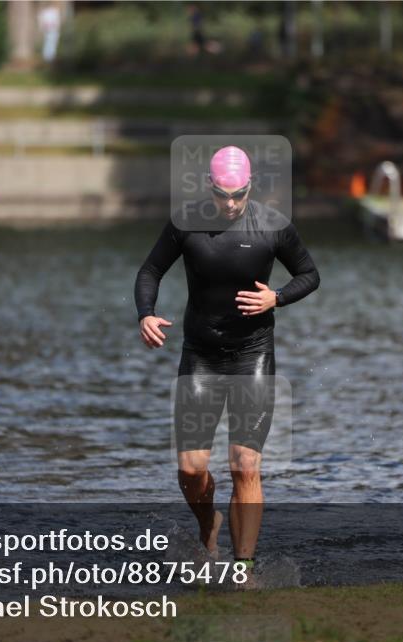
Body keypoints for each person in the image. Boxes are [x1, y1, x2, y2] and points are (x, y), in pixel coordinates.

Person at [134, 146, 319, 572]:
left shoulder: (274, 226)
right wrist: (145, 313)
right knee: (191, 470)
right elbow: (150, 271)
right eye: (222, 194)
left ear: (250, 187)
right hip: (200, 356)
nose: (231, 203)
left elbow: (310, 274)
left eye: (238, 194)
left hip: (252, 356)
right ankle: (209, 521)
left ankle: (244, 568)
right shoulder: (186, 223)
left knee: (245, 464)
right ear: (209, 188)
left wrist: (278, 297)